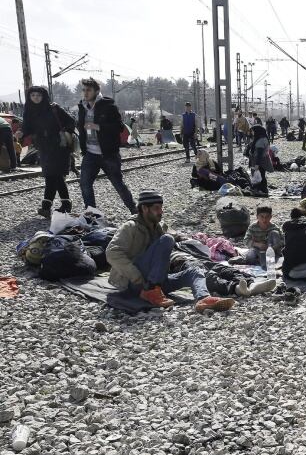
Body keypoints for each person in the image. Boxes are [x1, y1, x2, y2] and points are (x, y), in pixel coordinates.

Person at [105, 190, 235, 311]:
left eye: (161, 208)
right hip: (135, 282)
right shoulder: (130, 227)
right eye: (156, 208)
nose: (161, 211)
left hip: (158, 281)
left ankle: (203, 299)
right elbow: (112, 252)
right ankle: (151, 290)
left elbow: (174, 236)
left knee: (195, 271)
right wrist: (136, 277)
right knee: (167, 239)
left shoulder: (158, 226)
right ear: (144, 208)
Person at [76, 77, 137, 214]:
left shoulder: (109, 106)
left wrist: (98, 126)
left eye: (89, 90)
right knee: (85, 184)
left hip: (108, 154)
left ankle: (134, 210)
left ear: (96, 91)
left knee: (118, 184)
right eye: (84, 90)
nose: (85, 93)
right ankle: (92, 214)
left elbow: (119, 127)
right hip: (90, 154)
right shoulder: (82, 107)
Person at [18, 86, 76, 217]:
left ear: (44, 96)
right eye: (33, 95)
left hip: (59, 146)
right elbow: (27, 127)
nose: (36, 97)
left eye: (38, 95)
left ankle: (46, 207)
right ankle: (66, 204)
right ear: (29, 97)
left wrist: (65, 132)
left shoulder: (54, 108)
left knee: (52, 175)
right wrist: (21, 132)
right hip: (44, 147)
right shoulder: (29, 111)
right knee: (56, 176)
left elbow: (71, 121)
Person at [246, 119, 269, 194]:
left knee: (260, 176)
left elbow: (259, 154)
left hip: (260, 161)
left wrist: (257, 165)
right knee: (261, 175)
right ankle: (262, 190)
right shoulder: (260, 138)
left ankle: (260, 190)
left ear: (257, 131)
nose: (252, 133)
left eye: (253, 131)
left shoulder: (261, 141)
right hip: (260, 161)